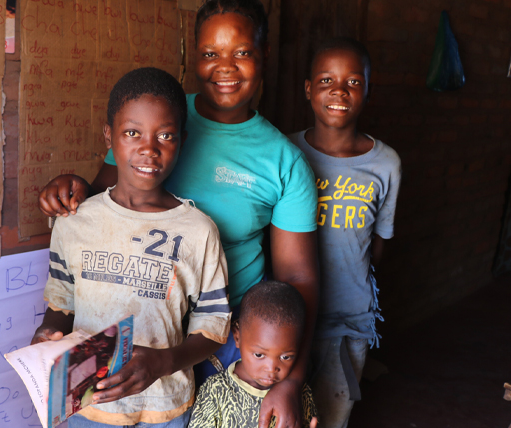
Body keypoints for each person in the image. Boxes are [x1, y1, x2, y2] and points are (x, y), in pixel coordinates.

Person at [39, 1, 319, 426]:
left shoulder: (284, 161)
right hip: (134, 327)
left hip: (229, 342)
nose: (225, 67)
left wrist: (289, 381)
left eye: (242, 52)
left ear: (264, 56)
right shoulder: (157, 107)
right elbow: (101, 201)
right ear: (193, 57)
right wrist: (70, 186)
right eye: (211, 53)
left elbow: (298, 281)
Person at [31, 67, 231, 428]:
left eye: (165, 135)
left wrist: (163, 363)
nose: (148, 149)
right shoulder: (75, 220)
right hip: (85, 403)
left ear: (182, 141)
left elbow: (213, 327)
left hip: (164, 408)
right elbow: (62, 303)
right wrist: (47, 335)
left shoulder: (198, 231)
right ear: (109, 136)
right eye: (132, 133)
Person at [288, 37, 402, 428]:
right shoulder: (286, 152)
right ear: (308, 89)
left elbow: (378, 245)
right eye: (325, 80)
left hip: (349, 320)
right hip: (289, 319)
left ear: (368, 90)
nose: (338, 91)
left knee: (333, 415)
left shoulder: (385, 164)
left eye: (353, 81)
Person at [189, 281, 318, 428]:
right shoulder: (215, 391)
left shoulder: (300, 394)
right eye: (259, 355)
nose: (271, 368)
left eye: (285, 357)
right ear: (237, 337)